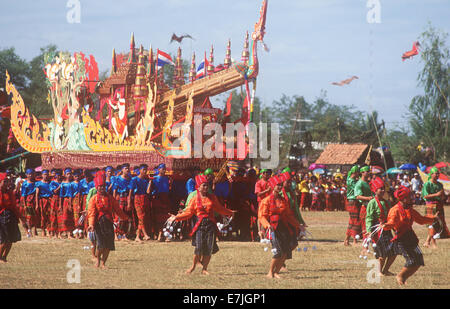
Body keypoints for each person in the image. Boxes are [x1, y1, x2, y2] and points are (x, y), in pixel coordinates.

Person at [168, 174, 235, 275]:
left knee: (208, 248)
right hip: (199, 225)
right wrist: (177, 217)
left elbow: (219, 208)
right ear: (198, 187)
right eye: (203, 185)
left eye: (207, 185)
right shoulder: (194, 199)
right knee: (198, 248)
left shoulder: (212, 197)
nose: (205, 187)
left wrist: (230, 212)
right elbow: (189, 213)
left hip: (210, 225)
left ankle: (205, 268)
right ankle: (193, 267)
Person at [382, 186, 438, 285]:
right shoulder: (395, 210)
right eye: (409, 196)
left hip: (411, 237)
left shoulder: (410, 209)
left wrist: (433, 218)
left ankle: (403, 277)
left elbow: (420, 220)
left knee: (419, 259)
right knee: (411, 260)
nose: (412, 198)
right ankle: (400, 276)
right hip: (401, 239)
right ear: (403, 198)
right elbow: (391, 223)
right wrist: (386, 225)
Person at [259, 175, 300, 279]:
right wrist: (267, 226)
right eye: (278, 185)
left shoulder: (283, 200)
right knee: (278, 251)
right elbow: (262, 216)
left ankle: (276, 272)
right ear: (273, 186)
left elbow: (289, 215)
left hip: (283, 227)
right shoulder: (266, 200)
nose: (280, 187)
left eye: (281, 185)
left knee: (286, 251)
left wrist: (298, 225)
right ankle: (270, 272)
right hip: (272, 228)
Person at [88, 171, 130, 269]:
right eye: (100, 187)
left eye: (103, 186)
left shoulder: (110, 198)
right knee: (101, 245)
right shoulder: (93, 199)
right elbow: (91, 213)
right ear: (97, 187)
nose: (102, 188)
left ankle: (103, 263)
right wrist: (91, 224)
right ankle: (98, 260)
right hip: (98, 224)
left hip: (109, 222)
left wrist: (125, 218)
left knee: (108, 245)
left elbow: (117, 209)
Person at [365, 177, 396, 276]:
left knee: (393, 252)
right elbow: (369, 217)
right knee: (382, 254)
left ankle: (385, 270)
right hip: (378, 231)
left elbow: (390, 216)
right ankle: (379, 271)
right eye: (380, 189)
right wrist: (369, 231)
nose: (383, 190)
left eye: (383, 188)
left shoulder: (387, 202)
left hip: (387, 229)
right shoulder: (372, 203)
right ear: (375, 190)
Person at [421, 167, 449, 248]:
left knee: (437, 224)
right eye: (435, 173)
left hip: (439, 205)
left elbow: (442, 197)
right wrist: (436, 195)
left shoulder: (440, 184)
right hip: (431, 205)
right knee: (432, 223)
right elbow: (425, 196)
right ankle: (430, 242)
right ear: (431, 174)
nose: (437, 175)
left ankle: (428, 242)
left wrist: (444, 195)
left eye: (438, 173)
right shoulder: (427, 184)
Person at [0, 175, 25, 263]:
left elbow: (14, 206)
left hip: (10, 217)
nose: (7, 183)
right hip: (1, 217)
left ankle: (4, 257)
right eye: (4, 181)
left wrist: (22, 219)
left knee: (11, 239)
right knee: (4, 239)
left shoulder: (10, 192)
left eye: (7, 181)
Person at [149, 163, 172, 241]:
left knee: (166, 217)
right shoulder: (154, 178)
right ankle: (159, 233)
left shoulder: (167, 178)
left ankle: (166, 235)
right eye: (163, 169)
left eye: (165, 169)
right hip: (157, 198)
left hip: (166, 198)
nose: (164, 170)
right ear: (159, 169)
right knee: (158, 218)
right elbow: (149, 190)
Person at [130, 164, 151, 241]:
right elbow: (130, 191)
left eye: (146, 170)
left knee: (142, 217)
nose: (145, 171)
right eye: (144, 170)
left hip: (145, 198)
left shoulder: (146, 180)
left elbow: (148, 191)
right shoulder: (134, 179)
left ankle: (137, 236)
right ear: (140, 170)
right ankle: (145, 234)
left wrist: (150, 182)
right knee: (140, 217)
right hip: (137, 198)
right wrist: (129, 201)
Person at [112, 164, 133, 240]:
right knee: (118, 217)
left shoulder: (130, 179)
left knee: (126, 216)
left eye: (128, 168)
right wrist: (113, 202)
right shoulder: (117, 179)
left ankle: (124, 234)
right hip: (119, 197)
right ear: (122, 170)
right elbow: (114, 191)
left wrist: (129, 202)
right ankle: (115, 234)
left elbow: (130, 192)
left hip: (126, 198)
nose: (127, 170)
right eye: (126, 168)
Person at [344, 165, 361, 246]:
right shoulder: (351, 181)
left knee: (352, 221)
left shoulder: (349, 179)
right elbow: (357, 188)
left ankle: (347, 240)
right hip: (353, 201)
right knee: (356, 220)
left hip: (352, 201)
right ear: (355, 173)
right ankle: (354, 239)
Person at [35, 170, 52, 237]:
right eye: (44, 174)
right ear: (42, 175)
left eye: (47, 174)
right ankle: (43, 230)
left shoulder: (50, 183)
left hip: (49, 200)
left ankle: (48, 230)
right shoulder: (39, 183)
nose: (46, 176)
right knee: (42, 215)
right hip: (42, 200)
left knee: (49, 215)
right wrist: (37, 204)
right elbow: (37, 194)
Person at [59, 168, 75, 239]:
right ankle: (62, 232)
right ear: (65, 175)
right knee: (65, 217)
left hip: (72, 201)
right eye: (67, 174)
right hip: (65, 201)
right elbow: (61, 195)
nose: (69, 175)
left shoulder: (72, 184)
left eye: (70, 174)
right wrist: (60, 205)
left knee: (71, 217)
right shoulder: (63, 184)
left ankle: (69, 233)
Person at [21, 169, 37, 238]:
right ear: (26, 175)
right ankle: (28, 231)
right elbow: (23, 195)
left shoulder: (36, 182)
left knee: (34, 216)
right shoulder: (25, 183)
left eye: (32, 174)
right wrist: (24, 204)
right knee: (27, 216)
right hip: (27, 200)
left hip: (34, 200)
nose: (30, 175)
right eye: (29, 174)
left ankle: (33, 230)